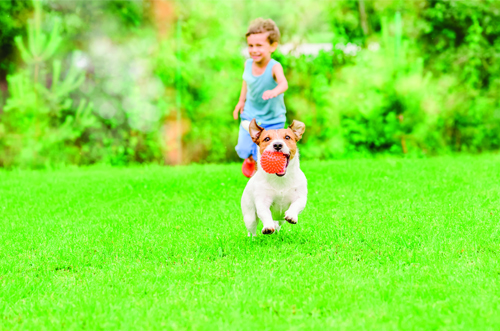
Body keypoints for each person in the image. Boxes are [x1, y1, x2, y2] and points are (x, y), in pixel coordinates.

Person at [233, 18, 289, 178]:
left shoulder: (274, 66)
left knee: (268, 154)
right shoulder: (248, 64)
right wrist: (240, 102)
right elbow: (246, 82)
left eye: (259, 45)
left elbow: (284, 84)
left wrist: (275, 91)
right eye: (250, 45)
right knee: (243, 149)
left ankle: (263, 178)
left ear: (273, 46)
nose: (254, 50)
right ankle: (249, 159)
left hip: (273, 119)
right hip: (251, 116)